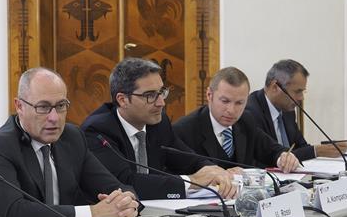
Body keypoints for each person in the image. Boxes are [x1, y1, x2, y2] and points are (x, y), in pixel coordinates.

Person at [0, 68, 139, 217]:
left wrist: (126, 203)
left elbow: (114, 187)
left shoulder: (72, 138)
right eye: (43, 107)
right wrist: (92, 214)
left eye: (61, 105)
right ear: (19, 106)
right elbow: (15, 213)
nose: (54, 118)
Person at [82, 58, 237, 199]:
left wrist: (214, 171)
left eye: (161, 92)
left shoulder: (158, 123)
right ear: (122, 100)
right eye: (150, 95)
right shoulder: (97, 131)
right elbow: (126, 182)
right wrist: (192, 181)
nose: (161, 103)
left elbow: (187, 159)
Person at [174, 67, 301, 172]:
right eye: (225, 101)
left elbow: (270, 149)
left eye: (239, 103)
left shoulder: (246, 120)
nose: (231, 110)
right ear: (209, 95)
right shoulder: (184, 130)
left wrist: (284, 157)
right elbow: (179, 178)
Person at [245, 59, 347, 162]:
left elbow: (301, 146)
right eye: (297, 91)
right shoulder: (250, 112)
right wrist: (316, 151)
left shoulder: (287, 110)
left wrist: (324, 150)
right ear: (275, 87)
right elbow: (270, 156)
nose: (301, 98)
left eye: (302, 92)